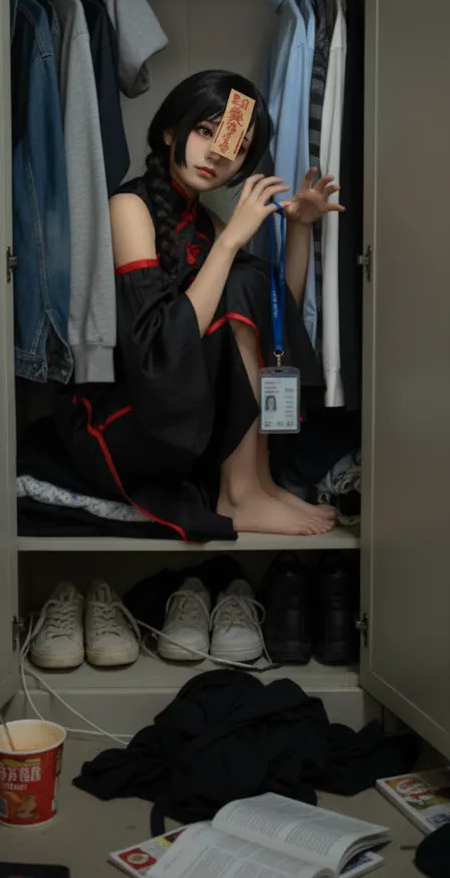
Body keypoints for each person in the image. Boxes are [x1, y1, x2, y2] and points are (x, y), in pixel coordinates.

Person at [54, 69, 343, 539]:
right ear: (171, 131)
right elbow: (155, 349)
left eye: (235, 147)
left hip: (176, 412)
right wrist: (229, 242)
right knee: (240, 276)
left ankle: (258, 483)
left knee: (247, 281)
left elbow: (271, 321)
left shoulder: (205, 222)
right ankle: (240, 494)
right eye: (205, 131)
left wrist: (299, 227)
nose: (215, 153)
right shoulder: (130, 207)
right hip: (119, 420)